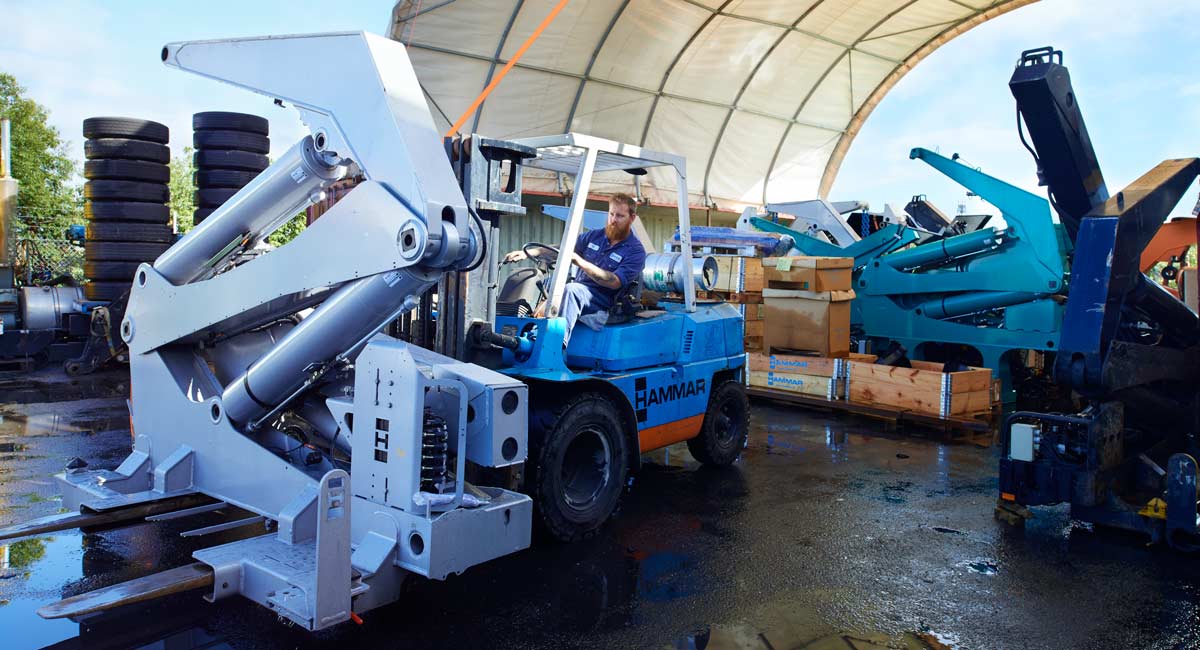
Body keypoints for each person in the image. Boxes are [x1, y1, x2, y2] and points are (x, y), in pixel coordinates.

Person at [503, 193, 647, 345]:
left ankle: (555, 345)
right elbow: (564, 249)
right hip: (580, 288)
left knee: (571, 290)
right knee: (543, 282)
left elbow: (614, 282)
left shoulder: (635, 251)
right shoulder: (595, 236)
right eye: (611, 214)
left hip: (602, 300)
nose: (613, 220)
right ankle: (516, 332)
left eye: (620, 216)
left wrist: (579, 261)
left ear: (632, 218)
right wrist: (529, 252)